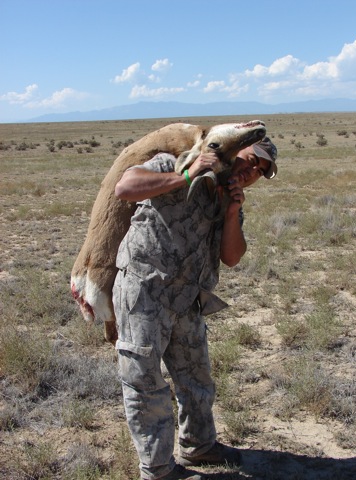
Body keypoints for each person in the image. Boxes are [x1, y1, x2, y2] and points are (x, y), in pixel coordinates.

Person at [112, 137, 278, 480]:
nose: (251, 171)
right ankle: (157, 469)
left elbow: (231, 257)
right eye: (250, 159)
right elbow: (125, 187)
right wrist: (186, 177)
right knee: (145, 383)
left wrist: (232, 212)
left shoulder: (228, 197)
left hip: (188, 298)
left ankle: (198, 446)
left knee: (197, 379)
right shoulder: (175, 163)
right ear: (234, 151)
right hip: (144, 291)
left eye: (261, 171)